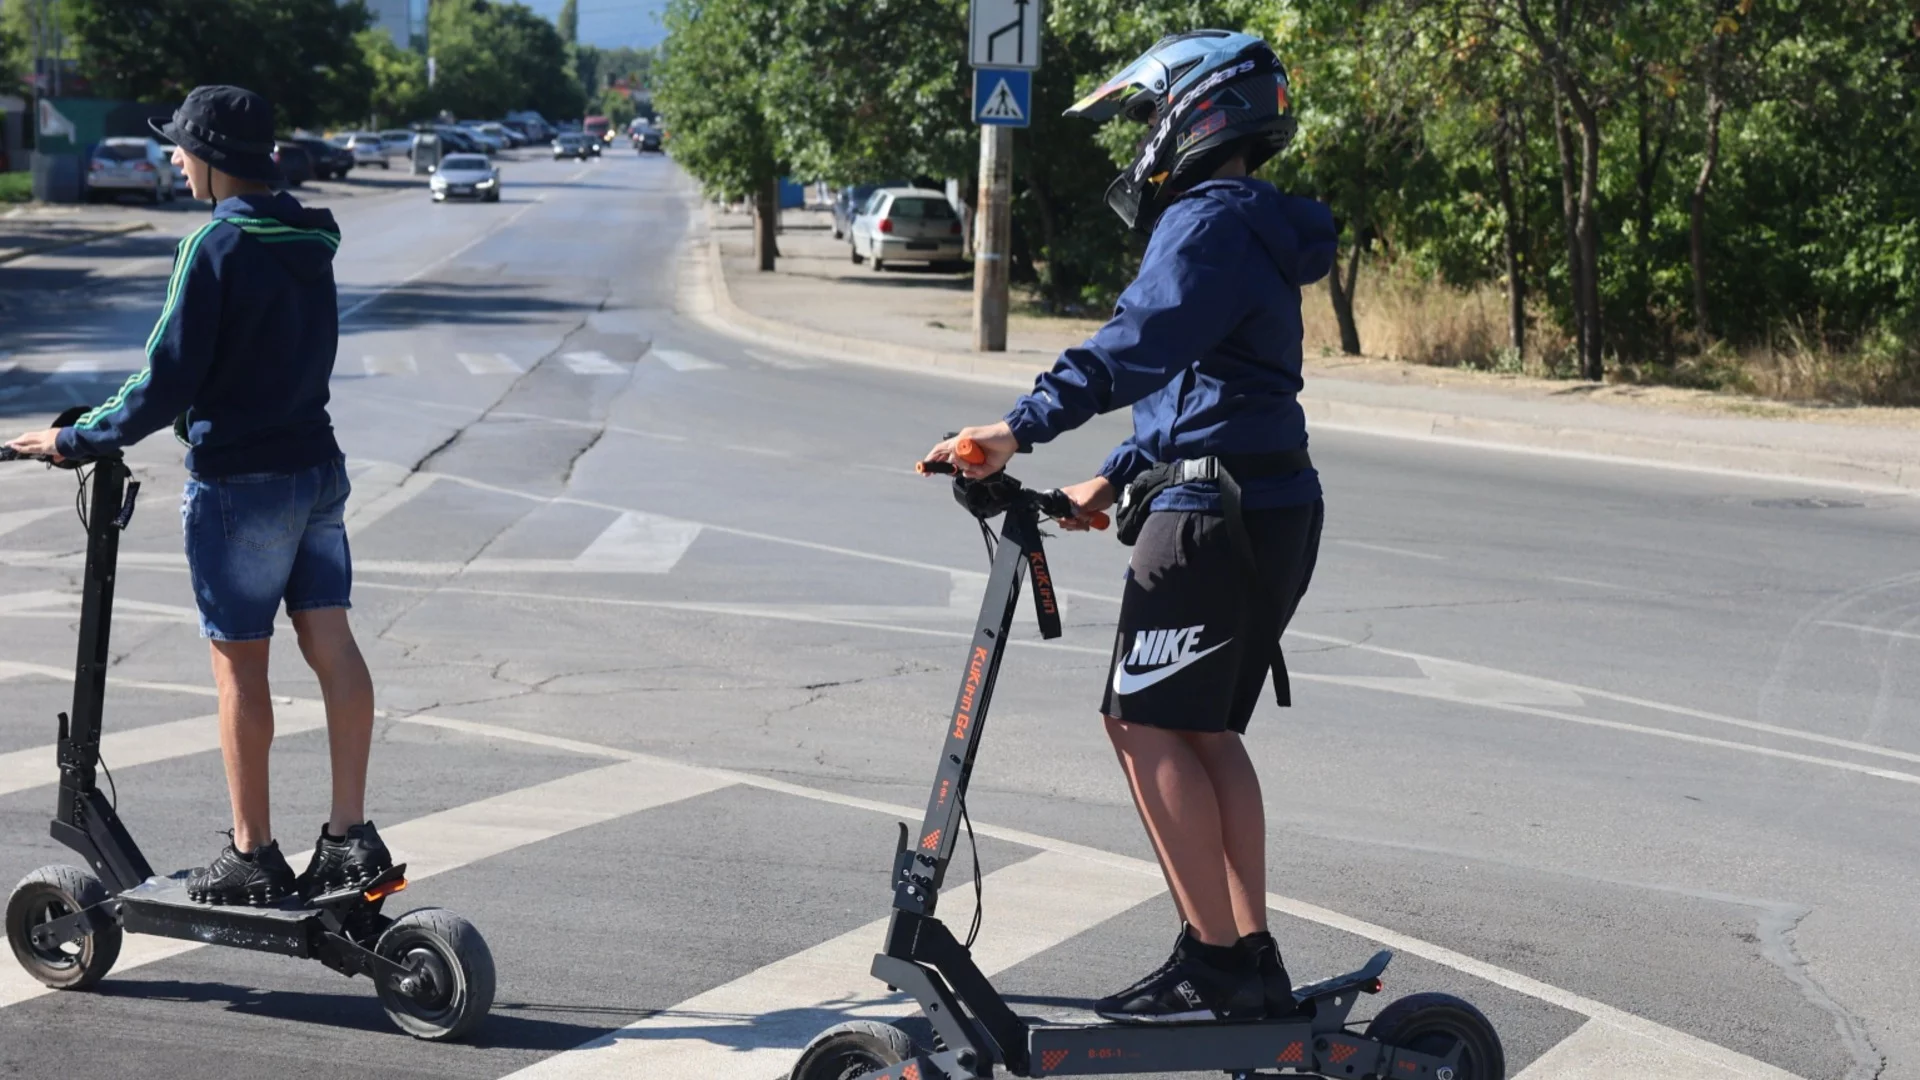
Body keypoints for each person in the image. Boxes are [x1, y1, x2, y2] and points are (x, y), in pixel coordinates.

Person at [922, 31, 1335, 1024]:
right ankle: (1249, 959)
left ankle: (1215, 962)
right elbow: (1206, 383)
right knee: (1203, 732)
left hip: (1209, 520)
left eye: (1149, 114)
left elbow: (1136, 347)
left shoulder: (1205, 221)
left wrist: (1016, 428)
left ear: (1197, 111)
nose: (1142, 135)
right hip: (1267, 503)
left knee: (1142, 723)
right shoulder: (1255, 222)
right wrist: (1112, 478)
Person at [7, 85, 391, 908]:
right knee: (332, 643)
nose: (175, 160)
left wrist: (75, 439)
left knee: (239, 663)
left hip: (240, 484)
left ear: (213, 159)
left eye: (182, 148)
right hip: (316, 467)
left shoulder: (215, 245)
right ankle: (350, 839)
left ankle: (252, 853)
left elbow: (166, 377)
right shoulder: (310, 238)